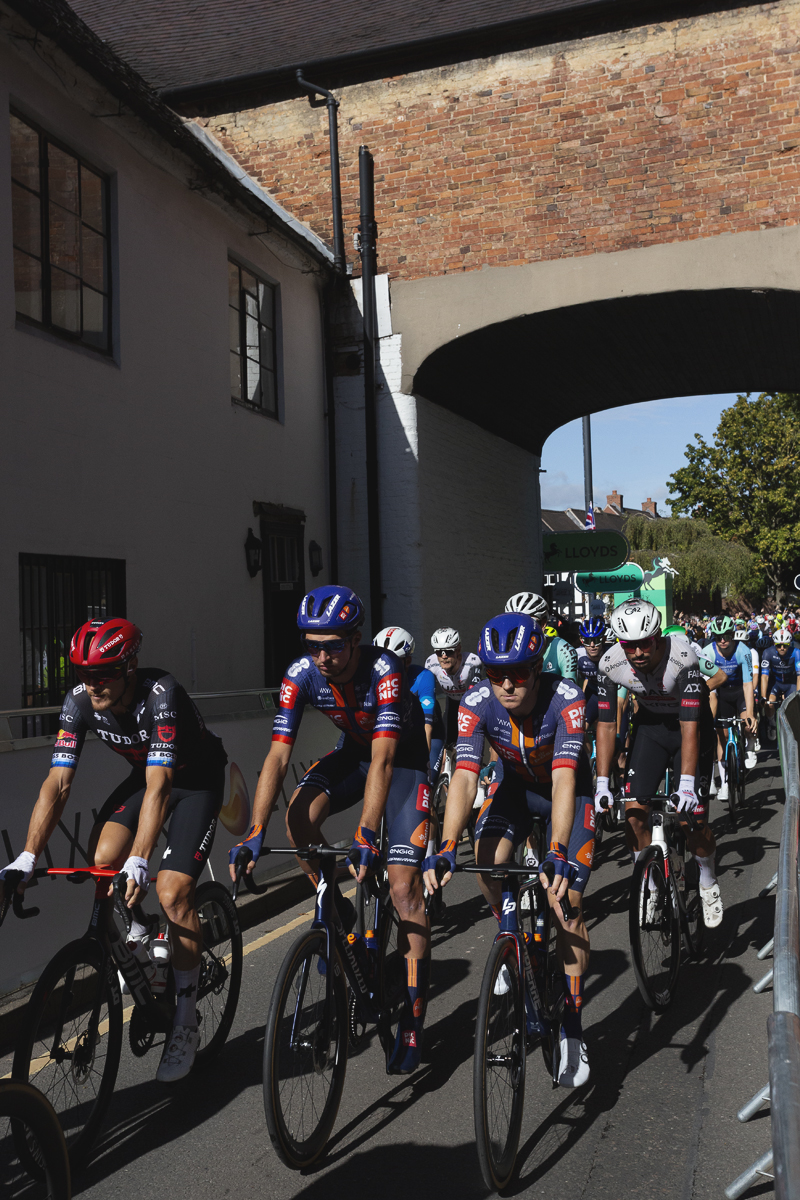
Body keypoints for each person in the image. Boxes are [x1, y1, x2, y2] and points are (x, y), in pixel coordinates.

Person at [0, 618, 227, 1083]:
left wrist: (142, 858)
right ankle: (140, 935)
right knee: (103, 861)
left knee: (172, 891)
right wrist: (26, 856)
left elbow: (162, 786)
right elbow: (57, 784)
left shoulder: (161, 694)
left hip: (194, 781)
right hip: (147, 778)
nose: (91, 685)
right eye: (82, 674)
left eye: (101, 674)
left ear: (129, 667)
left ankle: (185, 1020)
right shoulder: (80, 702)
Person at [229, 586, 431, 1074]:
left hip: (401, 763)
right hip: (354, 755)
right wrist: (255, 828)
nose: (322, 656)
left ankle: (414, 1019)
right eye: (312, 645)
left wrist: (364, 832)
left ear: (356, 640)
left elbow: (384, 758)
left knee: (404, 891)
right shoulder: (300, 676)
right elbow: (278, 755)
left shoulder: (384, 671)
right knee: (297, 815)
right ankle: (332, 904)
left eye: (333, 646)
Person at [423, 612, 595, 1087]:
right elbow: (463, 775)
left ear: (537, 668)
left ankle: (574, 1031)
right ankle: (509, 937)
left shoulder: (567, 700)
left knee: (568, 906)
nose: (507, 685)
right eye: (498, 674)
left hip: (567, 791)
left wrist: (557, 848)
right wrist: (445, 845)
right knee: (486, 859)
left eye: (518, 673)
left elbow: (564, 781)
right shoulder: (477, 701)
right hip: (517, 788)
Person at [593, 599, 724, 929]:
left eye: (645, 644)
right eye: (629, 646)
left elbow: (690, 725)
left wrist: (687, 785)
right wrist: (602, 781)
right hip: (651, 728)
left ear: (658, 637)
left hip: (690, 728)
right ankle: (650, 888)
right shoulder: (610, 662)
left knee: (689, 820)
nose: (637, 653)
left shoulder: (683, 659)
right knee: (635, 815)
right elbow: (607, 724)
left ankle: (707, 880)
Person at [373, 625, 446, 781]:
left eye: (394, 662)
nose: (386, 667)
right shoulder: (374, 678)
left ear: (408, 661)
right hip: (401, 733)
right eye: (380, 661)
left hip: (428, 733)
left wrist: (424, 767)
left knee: (426, 780)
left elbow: (427, 726)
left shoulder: (423, 676)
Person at [705, 615, 758, 790]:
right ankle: (725, 783)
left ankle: (749, 744)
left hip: (740, 691)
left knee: (748, 724)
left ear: (733, 635)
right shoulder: (709, 652)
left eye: (726, 636)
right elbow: (707, 687)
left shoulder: (743, 651)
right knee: (722, 737)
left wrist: (750, 713)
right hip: (721, 693)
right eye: (718, 637)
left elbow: (748, 683)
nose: (723, 640)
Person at [424, 627, 483, 743]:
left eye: (449, 651)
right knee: (447, 742)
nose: (444, 656)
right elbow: (427, 695)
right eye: (439, 652)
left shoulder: (472, 662)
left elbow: (475, 699)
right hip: (452, 702)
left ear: (458, 649)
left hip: (471, 703)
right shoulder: (431, 664)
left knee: (470, 739)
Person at [505, 592, 578, 682]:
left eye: (527, 622)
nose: (519, 628)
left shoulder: (563, 650)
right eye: (513, 623)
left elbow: (570, 692)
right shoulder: (502, 646)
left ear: (543, 624)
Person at [761, 628, 800, 737]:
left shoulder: (796, 652)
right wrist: (763, 697)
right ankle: (772, 723)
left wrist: (798, 694)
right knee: (770, 703)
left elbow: (799, 676)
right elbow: (764, 676)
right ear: (774, 644)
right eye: (779, 645)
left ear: (789, 644)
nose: (782, 648)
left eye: (785, 645)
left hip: (790, 683)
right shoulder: (768, 652)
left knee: (792, 707)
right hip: (776, 683)